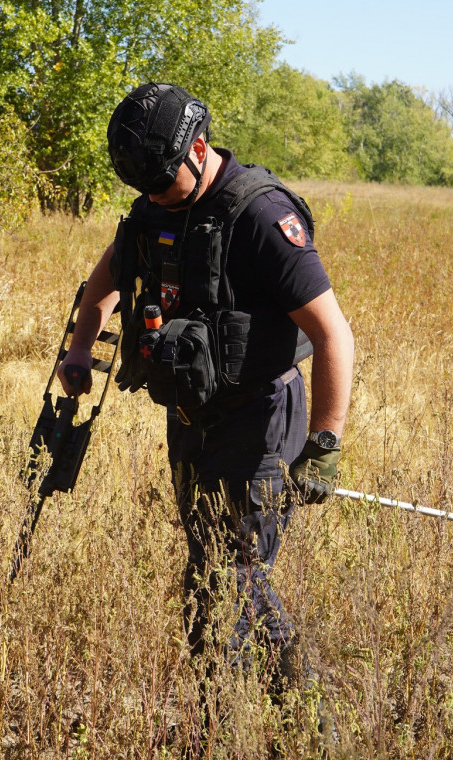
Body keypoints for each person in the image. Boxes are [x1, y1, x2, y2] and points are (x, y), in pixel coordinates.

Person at [58, 81, 353, 738]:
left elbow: (334, 334)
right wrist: (81, 351)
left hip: (261, 417)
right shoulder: (153, 208)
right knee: (206, 566)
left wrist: (325, 446)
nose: (155, 195)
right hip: (190, 419)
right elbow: (104, 284)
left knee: (234, 573)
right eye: (145, 186)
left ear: (197, 148)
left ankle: (304, 725)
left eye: (163, 181)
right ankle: (219, 712)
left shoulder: (259, 217)